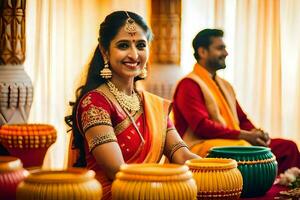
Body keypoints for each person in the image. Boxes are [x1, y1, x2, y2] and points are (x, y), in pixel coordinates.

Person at [65, 11, 199, 199]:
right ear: (105, 51)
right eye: (123, 45)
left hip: (152, 190)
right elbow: (118, 172)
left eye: (141, 45)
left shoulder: (152, 105)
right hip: (116, 194)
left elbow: (182, 156)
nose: (134, 54)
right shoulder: (94, 103)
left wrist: (217, 166)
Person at [172, 28, 300, 174]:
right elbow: (202, 126)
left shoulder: (225, 85)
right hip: (199, 146)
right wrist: (245, 136)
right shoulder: (188, 84)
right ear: (202, 52)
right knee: (244, 148)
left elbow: (241, 120)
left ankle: (288, 188)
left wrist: (256, 134)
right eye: (220, 48)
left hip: (231, 141)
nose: (226, 53)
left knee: (288, 147)